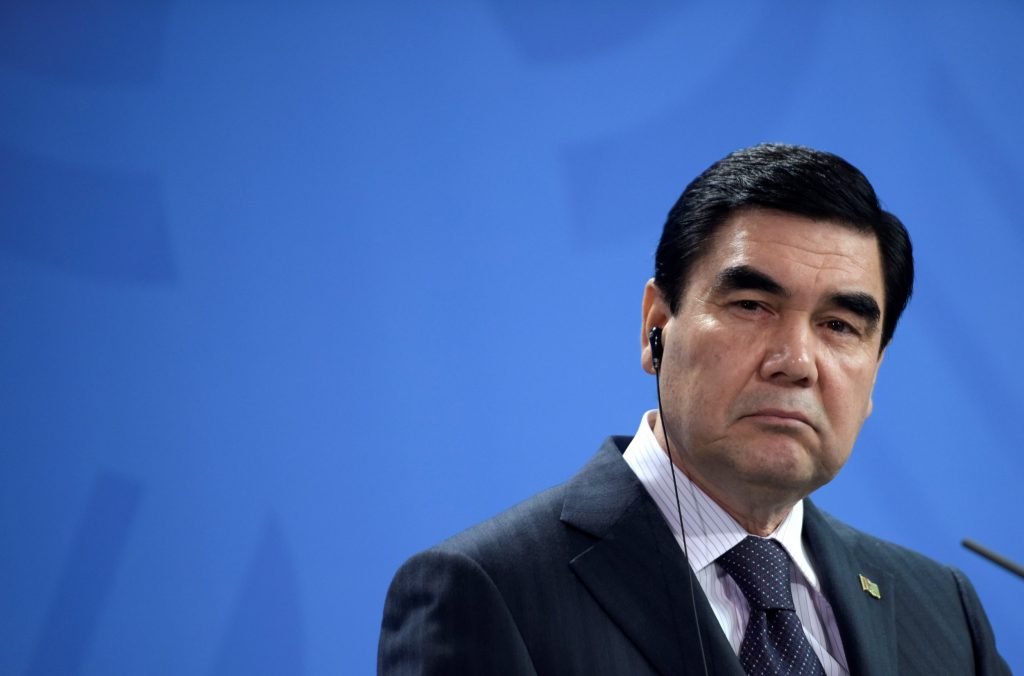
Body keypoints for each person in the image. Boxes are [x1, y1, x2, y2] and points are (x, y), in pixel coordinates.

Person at [377, 144, 1011, 675]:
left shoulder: (943, 611)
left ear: (874, 374)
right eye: (752, 306)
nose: (796, 361)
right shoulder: (490, 590)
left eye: (840, 326)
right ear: (656, 326)